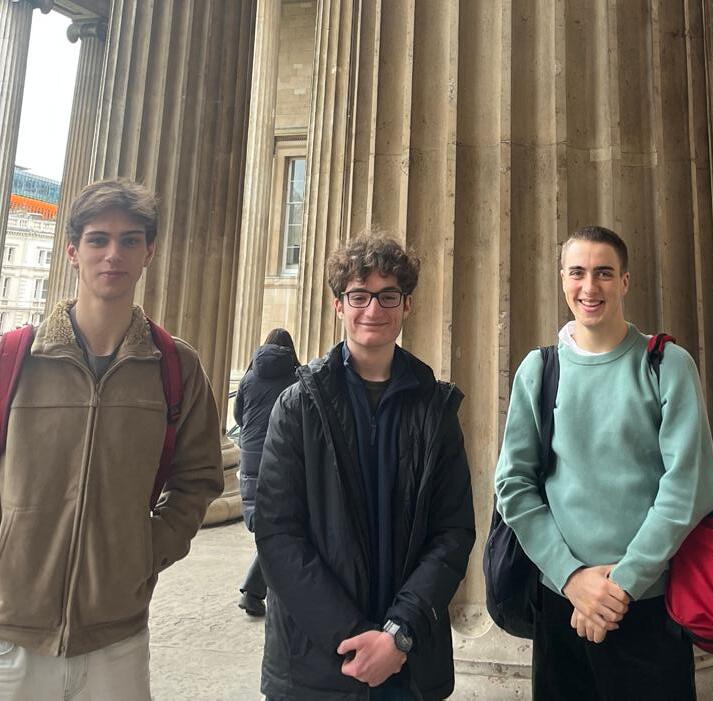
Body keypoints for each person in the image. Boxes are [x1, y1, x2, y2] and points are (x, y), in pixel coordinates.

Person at [0, 179, 223, 699]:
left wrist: (145, 551)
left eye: (130, 240)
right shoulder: (14, 359)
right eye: (98, 239)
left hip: (116, 633)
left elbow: (198, 478)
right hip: (11, 627)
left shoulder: (176, 366)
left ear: (149, 253)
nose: (113, 254)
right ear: (72, 251)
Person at [494, 225, 713, 700]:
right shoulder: (539, 370)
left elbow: (689, 488)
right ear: (562, 279)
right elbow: (513, 485)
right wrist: (572, 577)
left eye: (604, 273)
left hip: (648, 605)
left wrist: (622, 586)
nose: (589, 287)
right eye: (577, 273)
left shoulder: (667, 365)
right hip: (562, 603)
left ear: (625, 281)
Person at [253, 233, 476, 701]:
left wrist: (398, 634)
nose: (373, 309)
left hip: (407, 661)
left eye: (387, 295)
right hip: (319, 661)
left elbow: (452, 532)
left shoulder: (435, 408)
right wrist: (353, 635)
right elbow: (277, 533)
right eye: (359, 295)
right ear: (339, 305)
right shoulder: (297, 405)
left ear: (406, 305)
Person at [235, 327, 299, 617]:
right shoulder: (295, 378)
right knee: (283, 526)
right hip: (281, 454)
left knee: (271, 524)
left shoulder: (249, 378)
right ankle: (254, 590)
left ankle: (257, 590)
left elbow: (239, 416)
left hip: (250, 454)